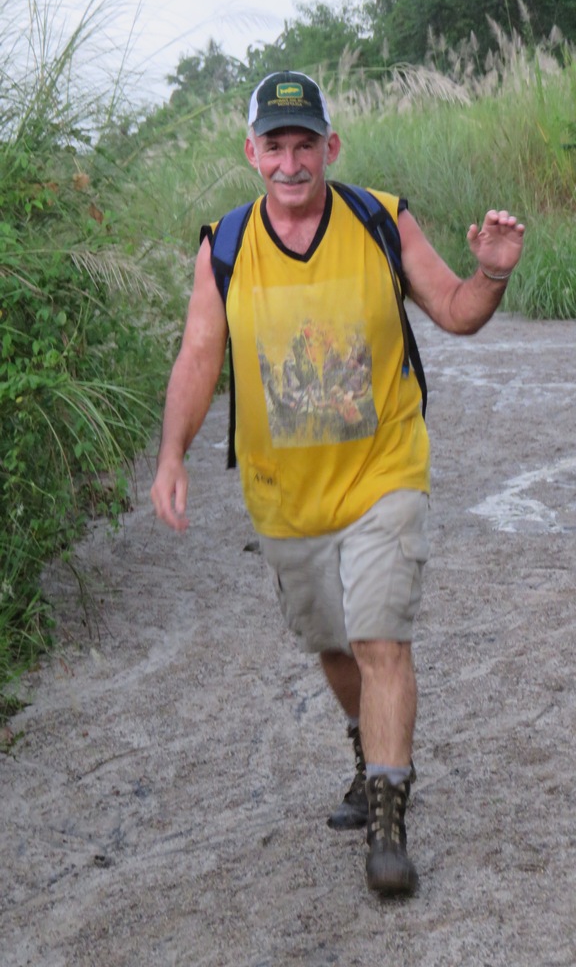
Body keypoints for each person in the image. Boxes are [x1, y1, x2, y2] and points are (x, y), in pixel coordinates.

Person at [151, 70, 525, 897]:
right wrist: (172, 454)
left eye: (306, 143)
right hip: (286, 493)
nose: (291, 161)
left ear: (332, 146)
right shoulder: (225, 246)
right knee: (333, 644)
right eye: (275, 145)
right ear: (252, 153)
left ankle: (389, 823)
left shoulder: (379, 219)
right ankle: (368, 750)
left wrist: (492, 273)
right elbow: (200, 355)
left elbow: (456, 311)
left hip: (385, 471)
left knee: (381, 639)